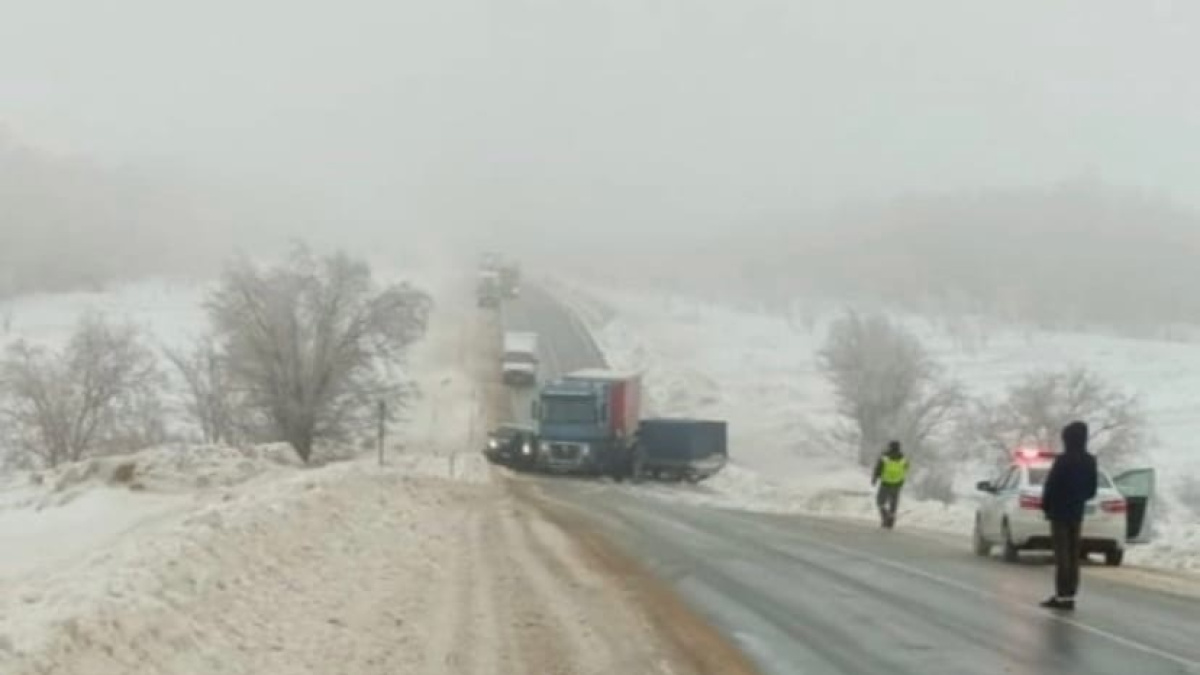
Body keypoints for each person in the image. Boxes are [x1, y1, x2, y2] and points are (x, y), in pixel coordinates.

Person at [1040, 421, 1098, 611]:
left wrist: (1047, 505)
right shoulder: (1090, 460)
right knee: (1073, 556)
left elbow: (1051, 485)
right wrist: (1078, 498)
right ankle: (1070, 593)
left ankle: (1061, 594)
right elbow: (1092, 490)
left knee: (1062, 555)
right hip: (1077, 512)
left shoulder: (1063, 460)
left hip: (1059, 512)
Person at [871, 441, 909, 529]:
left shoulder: (885, 457)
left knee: (880, 501)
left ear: (890, 447)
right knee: (893, 503)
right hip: (897, 483)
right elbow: (906, 469)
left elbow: (878, 467)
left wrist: (875, 478)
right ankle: (891, 522)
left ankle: (885, 516)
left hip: (885, 482)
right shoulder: (903, 458)